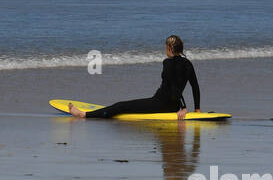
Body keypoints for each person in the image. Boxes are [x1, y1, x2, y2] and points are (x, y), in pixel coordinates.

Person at [69, 35, 200, 119]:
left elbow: (172, 84)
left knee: (121, 106)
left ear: (170, 48)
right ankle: (85, 114)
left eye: (165, 47)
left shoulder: (168, 63)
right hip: (173, 106)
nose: (165, 50)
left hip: (160, 104)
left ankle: (83, 114)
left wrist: (184, 108)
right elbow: (195, 87)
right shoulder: (188, 63)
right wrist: (196, 109)